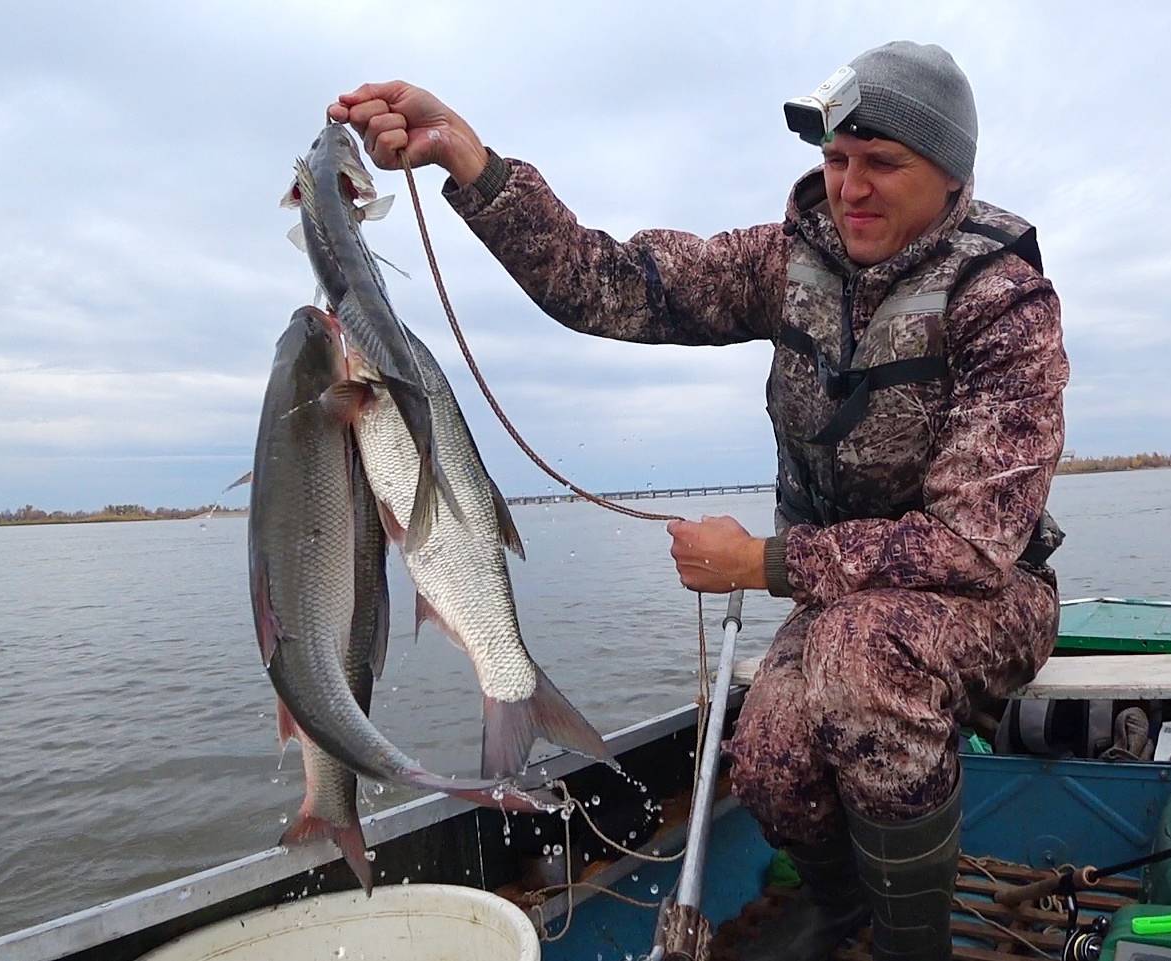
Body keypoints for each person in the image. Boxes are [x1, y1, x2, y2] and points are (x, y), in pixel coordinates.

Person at [331, 39, 1067, 961]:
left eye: (882, 163)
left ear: (951, 173)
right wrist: (468, 160)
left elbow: (971, 544)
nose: (850, 188)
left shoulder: (1004, 301)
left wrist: (760, 562)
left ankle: (910, 946)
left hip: (989, 599)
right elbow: (608, 283)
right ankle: (841, 903)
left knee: (860, 660)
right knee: (765, 753)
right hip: (838, 601)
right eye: (837, 159)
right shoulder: (786, 262)